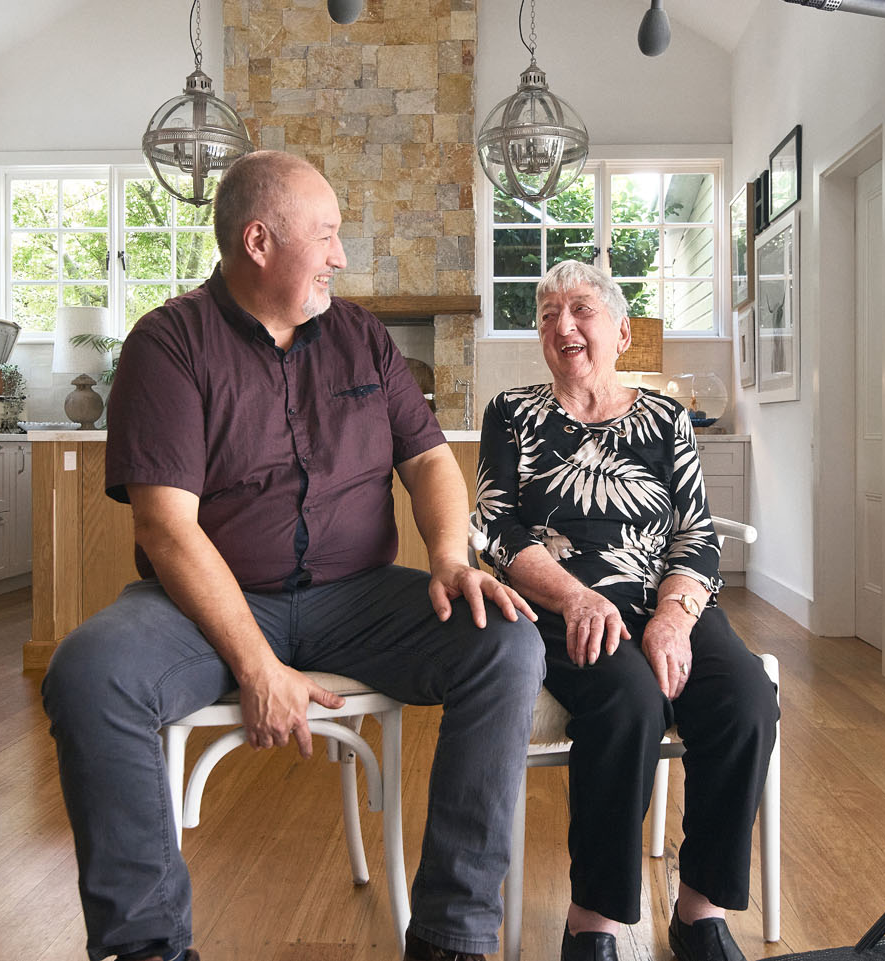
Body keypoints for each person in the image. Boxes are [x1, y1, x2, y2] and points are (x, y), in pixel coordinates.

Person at [41, 150, 545, 961]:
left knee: (506, 642)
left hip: (360, 597)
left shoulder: (364, 339)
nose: (341, 256)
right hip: (205, 607)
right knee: (89, 672)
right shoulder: (167, 345)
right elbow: (166, 528)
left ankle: (454, 937)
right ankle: (148, 947)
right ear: (258, 241)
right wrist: (256, 664)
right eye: (327, 235)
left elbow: (426, 461)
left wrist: (451, 555)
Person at [474, 260, 778, 961]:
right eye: (548, 313)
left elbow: (696, 534)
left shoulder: (665, 417)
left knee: (745, 697)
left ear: (620, 329)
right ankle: (594, 919)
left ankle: (699, 910)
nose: (562, 325)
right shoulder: (513, 413)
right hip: (561, 606)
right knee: (629, 701)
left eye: (579, 308)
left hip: (667, 600)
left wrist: (673, 615)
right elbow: (496, 528)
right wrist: (576, 595)